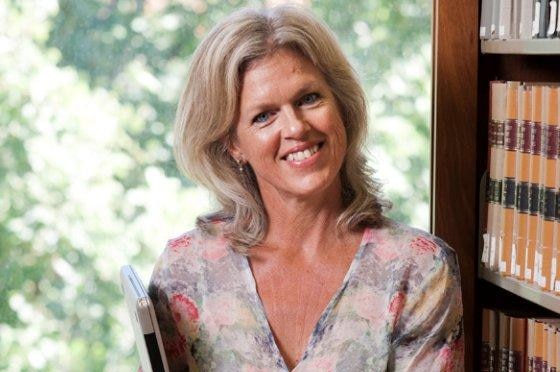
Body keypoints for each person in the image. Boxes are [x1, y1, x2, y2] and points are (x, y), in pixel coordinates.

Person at [148, 4, 464, 371]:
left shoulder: (419, 269)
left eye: (308, 99)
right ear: (232, 144)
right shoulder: (184, 271)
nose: (296, 127)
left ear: (341, 106)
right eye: (263, 116)